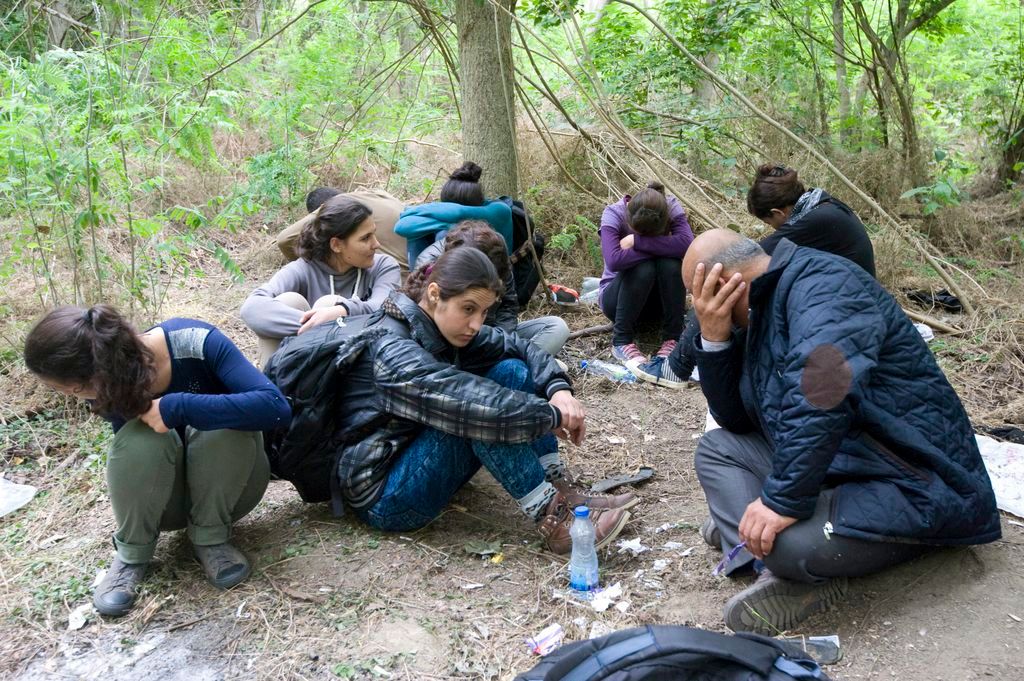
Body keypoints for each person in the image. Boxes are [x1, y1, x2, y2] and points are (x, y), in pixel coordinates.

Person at [682, 229, 1000, 635]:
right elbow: (736, 420)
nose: (695, 307)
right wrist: (715, 340)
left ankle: (776, 555)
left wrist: (780, 502)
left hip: (910, 480)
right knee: (719, 449)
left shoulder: (825, 285)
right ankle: (761, 556)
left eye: (695, 295)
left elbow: (821, 395)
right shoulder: (756, 311)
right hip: (838, 462)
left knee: (788, 544)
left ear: (721, 284)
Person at [267, 247, 636, 553]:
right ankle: (553, 518)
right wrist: (551, 415)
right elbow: (473, 406)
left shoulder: (439, 327)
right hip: (385, 493)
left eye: (484, 312)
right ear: (434, 295)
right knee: (479, 413)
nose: (476, 323)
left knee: (510, 370)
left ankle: (560, 487)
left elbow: (520, 346)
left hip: (412, 450)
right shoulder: (393, 353)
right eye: (468, 309)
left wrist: (559, 390)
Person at [23, 305, 291, 617]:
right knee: (140, 437)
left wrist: (179, 406)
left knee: (220, 427)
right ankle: (132, 554)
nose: (72, 394)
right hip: (166, 504)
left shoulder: (196, 342)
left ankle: (211, 538)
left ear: (92, 377)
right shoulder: (109, 382)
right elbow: (137, 460)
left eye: (67, 389)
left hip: (233, 487)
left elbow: (276, 408)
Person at [649, 164, 877, 389]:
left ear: (778, 213)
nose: (775, 229)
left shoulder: (816, 221)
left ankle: (677, 367)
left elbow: (747, 259)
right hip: (842, 306)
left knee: (729, 286)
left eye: (770, 223)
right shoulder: (822, 206)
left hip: (849, 319)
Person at [241, 194, 401, 366]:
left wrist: (342, 312)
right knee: (288, 301)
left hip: (360, 367)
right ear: (336, 245)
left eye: (373, 234)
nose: (376, 244)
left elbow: (383, 310)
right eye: (365, 238)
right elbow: (252, 308)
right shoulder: (304, 269)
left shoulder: (383, 266)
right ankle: (271, 383)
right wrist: (317, 325)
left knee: (329, 303)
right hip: (306, 365)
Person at [414, 220, 570, 357]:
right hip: (449, 340)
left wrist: (499, 343)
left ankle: (520, 365)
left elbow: (508, 305)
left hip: (490, 335)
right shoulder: (432, 267)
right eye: (468, 308)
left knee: (556, 327)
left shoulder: (497, 258)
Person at [597, 181, 693, 380]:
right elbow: (614, 260)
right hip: (618, 300)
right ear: (629, 219)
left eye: (652, 236)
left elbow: (687, 244)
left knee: (671, 264)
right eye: (638, 234)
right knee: (644, 266)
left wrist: (637, 242)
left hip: (659, 302)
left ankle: (672, 338)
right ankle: (621, 340)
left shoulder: (670, 206)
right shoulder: (614, 213)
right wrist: (662, 247)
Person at [394, 162, 514, 265]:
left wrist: (445, 221)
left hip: (492, 275)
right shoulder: (451, 213)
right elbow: (401, 227)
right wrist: (449, 222)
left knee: (444, 234)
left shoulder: (499, 210)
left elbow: (458, 212)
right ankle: (421, 280)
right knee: (418, 236)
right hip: (455, 271)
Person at [277, 186, 408, 268]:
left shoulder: (339, 206)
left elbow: (284, 239)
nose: (376, 243)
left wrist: (316, 268)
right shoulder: (377, 194)